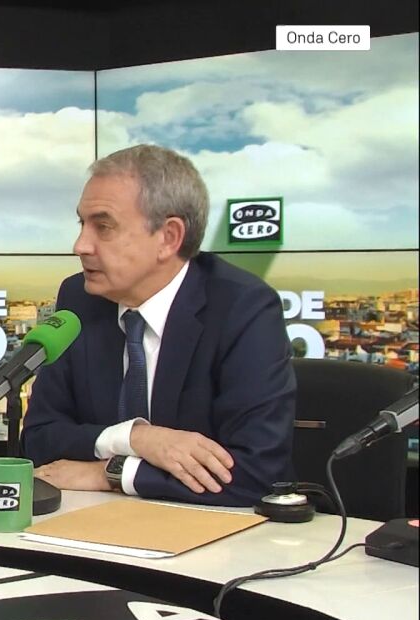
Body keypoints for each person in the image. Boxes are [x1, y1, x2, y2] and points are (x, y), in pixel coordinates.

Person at [21, 144, 295, 506]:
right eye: (81, 224)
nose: (80, 245)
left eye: (103, 227)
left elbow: (258, 473)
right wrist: (135, 438)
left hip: (208, 531)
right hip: (90, 522)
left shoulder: (243, 308)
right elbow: (39, 441)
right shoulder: (80, 298)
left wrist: (111, 474)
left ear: (168, 238)